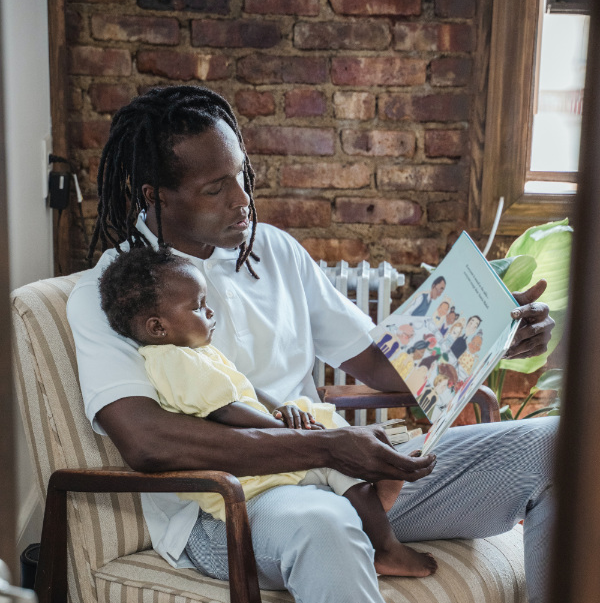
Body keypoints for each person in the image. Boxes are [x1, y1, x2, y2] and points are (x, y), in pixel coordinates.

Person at [67, 85, 556, 603]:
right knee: (325, 528)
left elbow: (392, 366)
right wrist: (325, 445)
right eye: (215, 186)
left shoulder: (279, 256)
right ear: (154, 195)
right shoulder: (114, 291)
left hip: (342, 469)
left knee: (558, 442)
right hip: (226, 512)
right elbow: (146, 439)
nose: (242, 199)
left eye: (243, 175)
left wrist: (493, 338)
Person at [98, 244, 437, 578]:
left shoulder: (192, 354)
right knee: (341, 466)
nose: (210, 313)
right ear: (158, 327)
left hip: (257, 447)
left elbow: (243, 392)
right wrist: (292, 432)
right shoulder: (177, 362)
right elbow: (227, 410)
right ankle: (386, 548)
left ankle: (375, 488)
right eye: (199, 308)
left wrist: (283, 411)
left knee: (325, 430)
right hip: (249, 472)